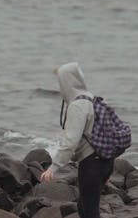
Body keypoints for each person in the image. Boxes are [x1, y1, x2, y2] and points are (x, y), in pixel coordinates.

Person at [40, 62, 114, 218]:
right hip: (105, 160)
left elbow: (70, 142)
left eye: (60, 81)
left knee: (89, 212)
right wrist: (108, 169)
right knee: (84, 207)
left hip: (91, 163)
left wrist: (53, 168)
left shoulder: (78, 106)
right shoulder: (93, 99)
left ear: (66, 82)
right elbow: (108, 133)